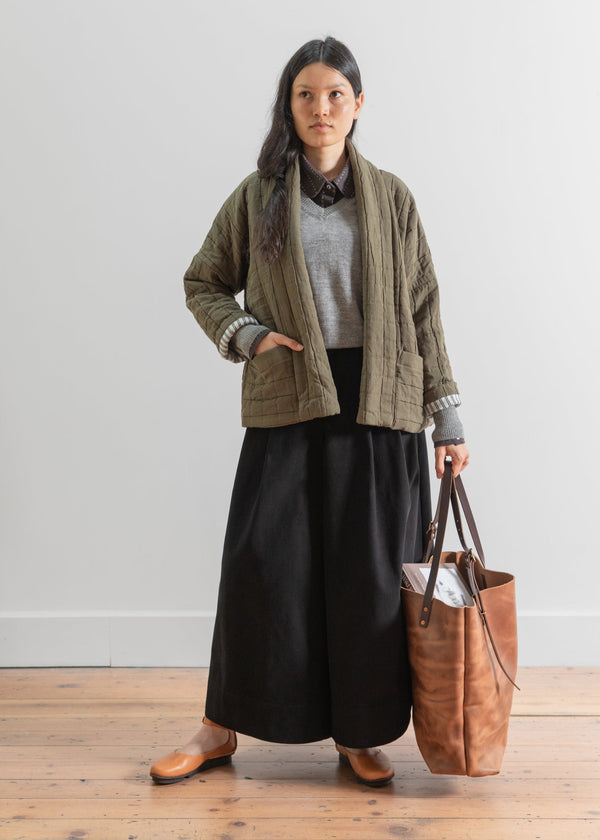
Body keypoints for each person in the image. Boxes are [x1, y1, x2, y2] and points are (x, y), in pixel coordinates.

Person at [150, 36, 470, 788]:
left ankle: (358, 735)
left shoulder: (391, 197)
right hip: (290, 398)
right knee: (262, 571)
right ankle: (218, 728)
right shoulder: (258, 194)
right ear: (287, 106)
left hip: (381, 407)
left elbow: (424, 310)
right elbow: (204, 281)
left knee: (367, 581)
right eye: (305, 95)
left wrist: (448, 419)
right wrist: (248, 336)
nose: (320, 109)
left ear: (358, 105)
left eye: (335, 95)